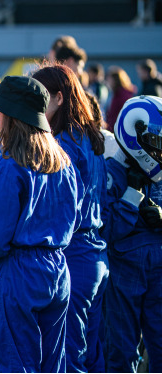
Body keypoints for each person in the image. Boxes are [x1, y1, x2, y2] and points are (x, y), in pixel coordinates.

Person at [0, 75, 81, 373]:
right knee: (52, 366)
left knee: (16, 365)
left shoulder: (9, 165)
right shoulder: (63, 162)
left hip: (17, 273)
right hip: (57, 269)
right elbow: (74, 220)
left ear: (12, 115)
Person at [33, 63, 109, 372]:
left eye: (39, 97)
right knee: (94, 352)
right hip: (96, 253)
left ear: (59, 98)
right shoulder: (90, 136)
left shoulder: (60, 142)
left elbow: (56, 208)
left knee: (69, 354)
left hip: (72, 254)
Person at [100, 95, 162, 372]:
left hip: (158, 269)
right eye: (155, 142)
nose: (159, 151)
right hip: (122, 272)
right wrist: (131, 198)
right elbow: (105, 229)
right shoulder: (110, 172)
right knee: (121, 350)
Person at [105, 65, 136, 132]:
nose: (107, 82)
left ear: (115, 80)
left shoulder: (123, 95)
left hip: (120, 132)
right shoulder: (115, 93)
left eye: (109, 79)